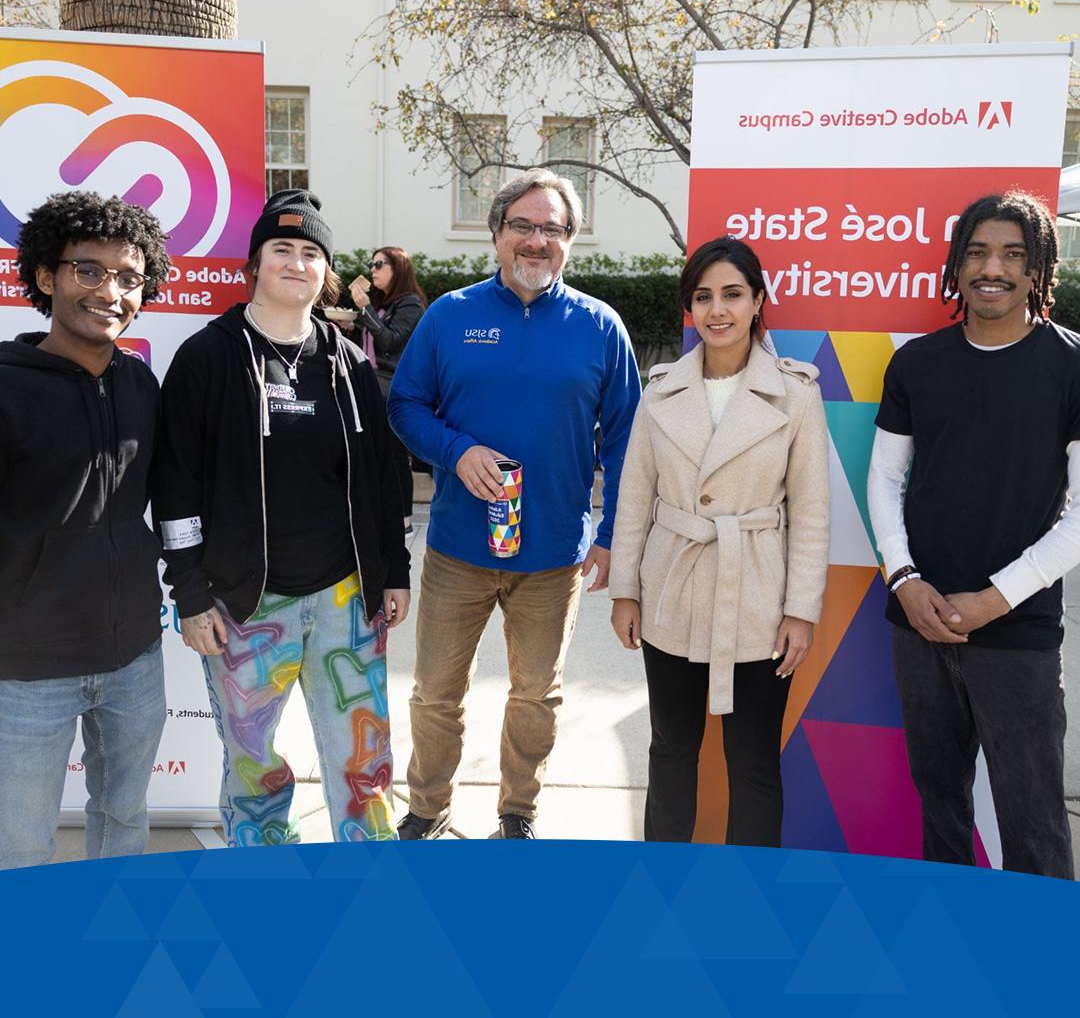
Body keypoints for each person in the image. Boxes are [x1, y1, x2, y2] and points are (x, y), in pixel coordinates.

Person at [388, 168, 641, 839]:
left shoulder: (600, 328)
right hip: (458, 549)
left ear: (569, 242)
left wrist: (612, 533)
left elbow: (627, 442)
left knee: (536, 695)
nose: (537, 240)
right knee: (436, 693)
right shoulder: (450, 316)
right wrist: (455, 450)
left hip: (553, 554)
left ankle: (518, 810)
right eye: (523, 226)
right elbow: (405, 405)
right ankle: (426, 809)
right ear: (497, 234)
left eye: (552, 229)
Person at [153, 189, 410, 845]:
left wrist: (395, 570)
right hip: (245, 603)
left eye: (311, 252)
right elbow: (175, 485)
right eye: (282, 250)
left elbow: (385, 478)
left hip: (344, 597)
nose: (297, 263)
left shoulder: (349, 363)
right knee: (254, 767)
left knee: (364, 764)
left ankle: (372, 888)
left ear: (325, 271)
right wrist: (190, 592)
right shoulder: (207, 358)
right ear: (256, 264)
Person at [868, 191, 1078, 879]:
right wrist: (904, 579)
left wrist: (998, 597)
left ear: (1039, 268)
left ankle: (1041, 969)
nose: (994, 268)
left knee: (1035, 823)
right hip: (919, 624)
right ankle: (949, 950)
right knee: (941, 811)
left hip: (1017, 634)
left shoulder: (1071, 365)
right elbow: (885, 482)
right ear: (957, 266)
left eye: (1014, 255)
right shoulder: (917, 364)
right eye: (979, 252)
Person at [609, 236, 829, 845]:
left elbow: (811, 515)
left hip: (758, 594)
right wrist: (625, 591)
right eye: (702, 297)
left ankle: (750, 897)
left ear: (759, 301)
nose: (717, 310)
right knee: (670, 749)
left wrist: (800, 611)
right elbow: (632, 502)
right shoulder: (659, 394)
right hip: (672, 590)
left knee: (755, 760)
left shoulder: (797, 394)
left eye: (733, 294)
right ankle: (663, 883)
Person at [0, 191, 170, 870]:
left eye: (129, 277)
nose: (111, 291)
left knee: (124, 822)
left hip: (134, 657)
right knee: (21, 843)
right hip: (28, 669)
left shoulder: (140, 384)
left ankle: (111, 958)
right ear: (46, 276)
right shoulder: (6, 387)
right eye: (89, 271)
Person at [349, 247, 427, 533]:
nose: (373, 270)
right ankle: (382, 512)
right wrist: (352, 324)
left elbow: (389, 342)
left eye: (380, 264)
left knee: (395, 456)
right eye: (371, 264)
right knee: (375, 455)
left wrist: (365, 308)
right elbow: (367, 343)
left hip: (391, 390)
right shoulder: (383, 304)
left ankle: (404, 518)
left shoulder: (410, 304)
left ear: (399, 268)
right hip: (369, 385)